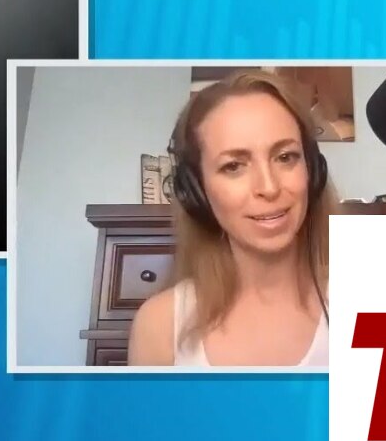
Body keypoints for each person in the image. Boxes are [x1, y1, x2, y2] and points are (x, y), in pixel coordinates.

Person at [128, 70, 335, 367]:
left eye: (285, 157)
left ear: (313, 171)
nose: (269, 187)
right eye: (234, 166)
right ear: (196, 190)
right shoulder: (159, 325)